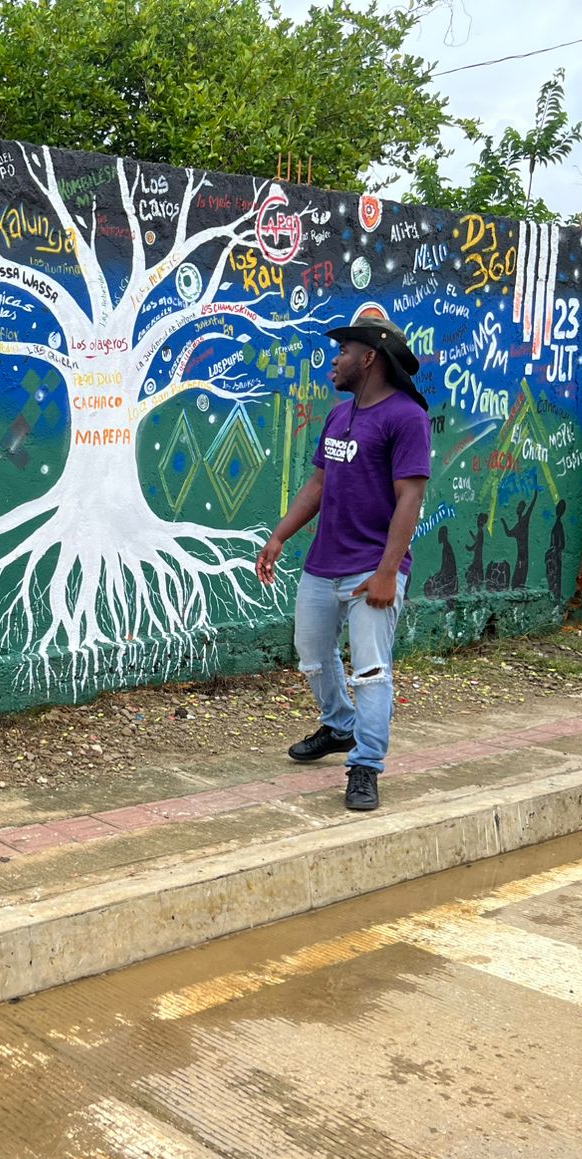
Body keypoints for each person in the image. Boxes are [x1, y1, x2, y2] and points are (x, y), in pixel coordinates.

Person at [255, 314, 431, 812]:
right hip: (323, 562)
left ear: (369, 357)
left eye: (344, 351)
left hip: (371, 567)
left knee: (371, 671)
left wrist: (388, 572)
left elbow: (410, 499)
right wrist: (279, 537)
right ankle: (340, 725)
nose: (335, 359)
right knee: (311, 652)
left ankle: (366, 765)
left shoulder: (406, 416)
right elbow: (318, 485)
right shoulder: (338, 416)